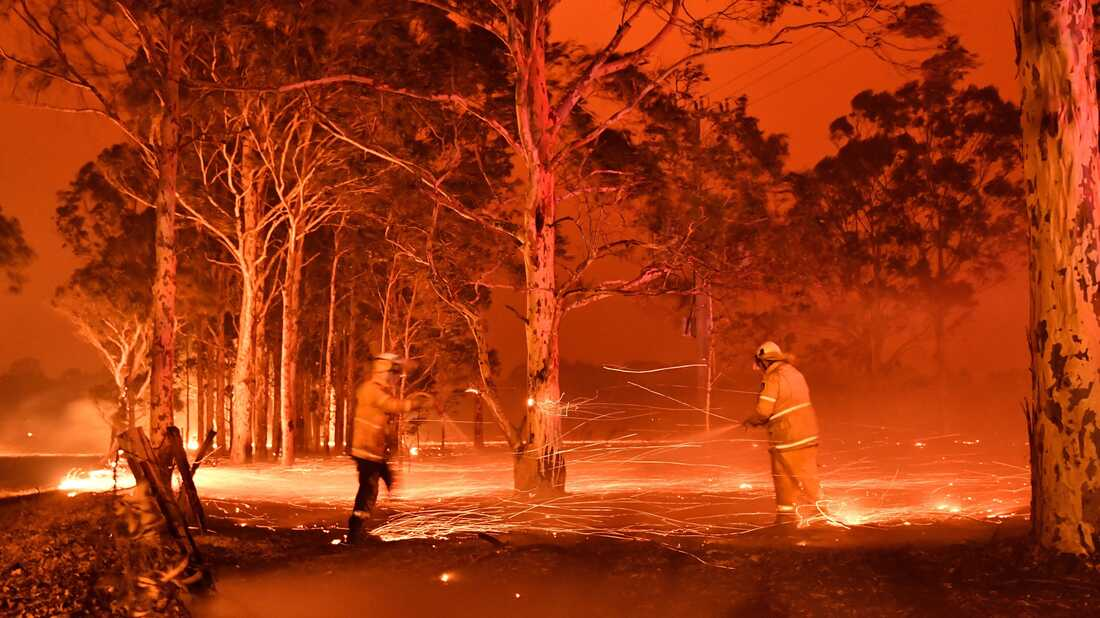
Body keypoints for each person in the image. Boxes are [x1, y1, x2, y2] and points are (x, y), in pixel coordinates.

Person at [346, 353, 433, 544]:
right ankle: (355, 531)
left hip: (372, 450)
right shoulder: (371, 390)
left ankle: (385, 509)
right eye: (393, 374)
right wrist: (416, 404)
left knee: (386, 480)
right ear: (384, 371)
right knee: (368, 490)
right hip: (365, 450)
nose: (395, 378)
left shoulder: (376, 389)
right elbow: (391, 405)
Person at [742, 341, 823, 525]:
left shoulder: (773, 378)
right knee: (797, 477)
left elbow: (763, 411)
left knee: (794, 479)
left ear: (764, 361)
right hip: (807, 433)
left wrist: (752, 420)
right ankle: (797, 519)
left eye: (759, 363)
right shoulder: (795, 373)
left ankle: (811, 519)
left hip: (788, 437)